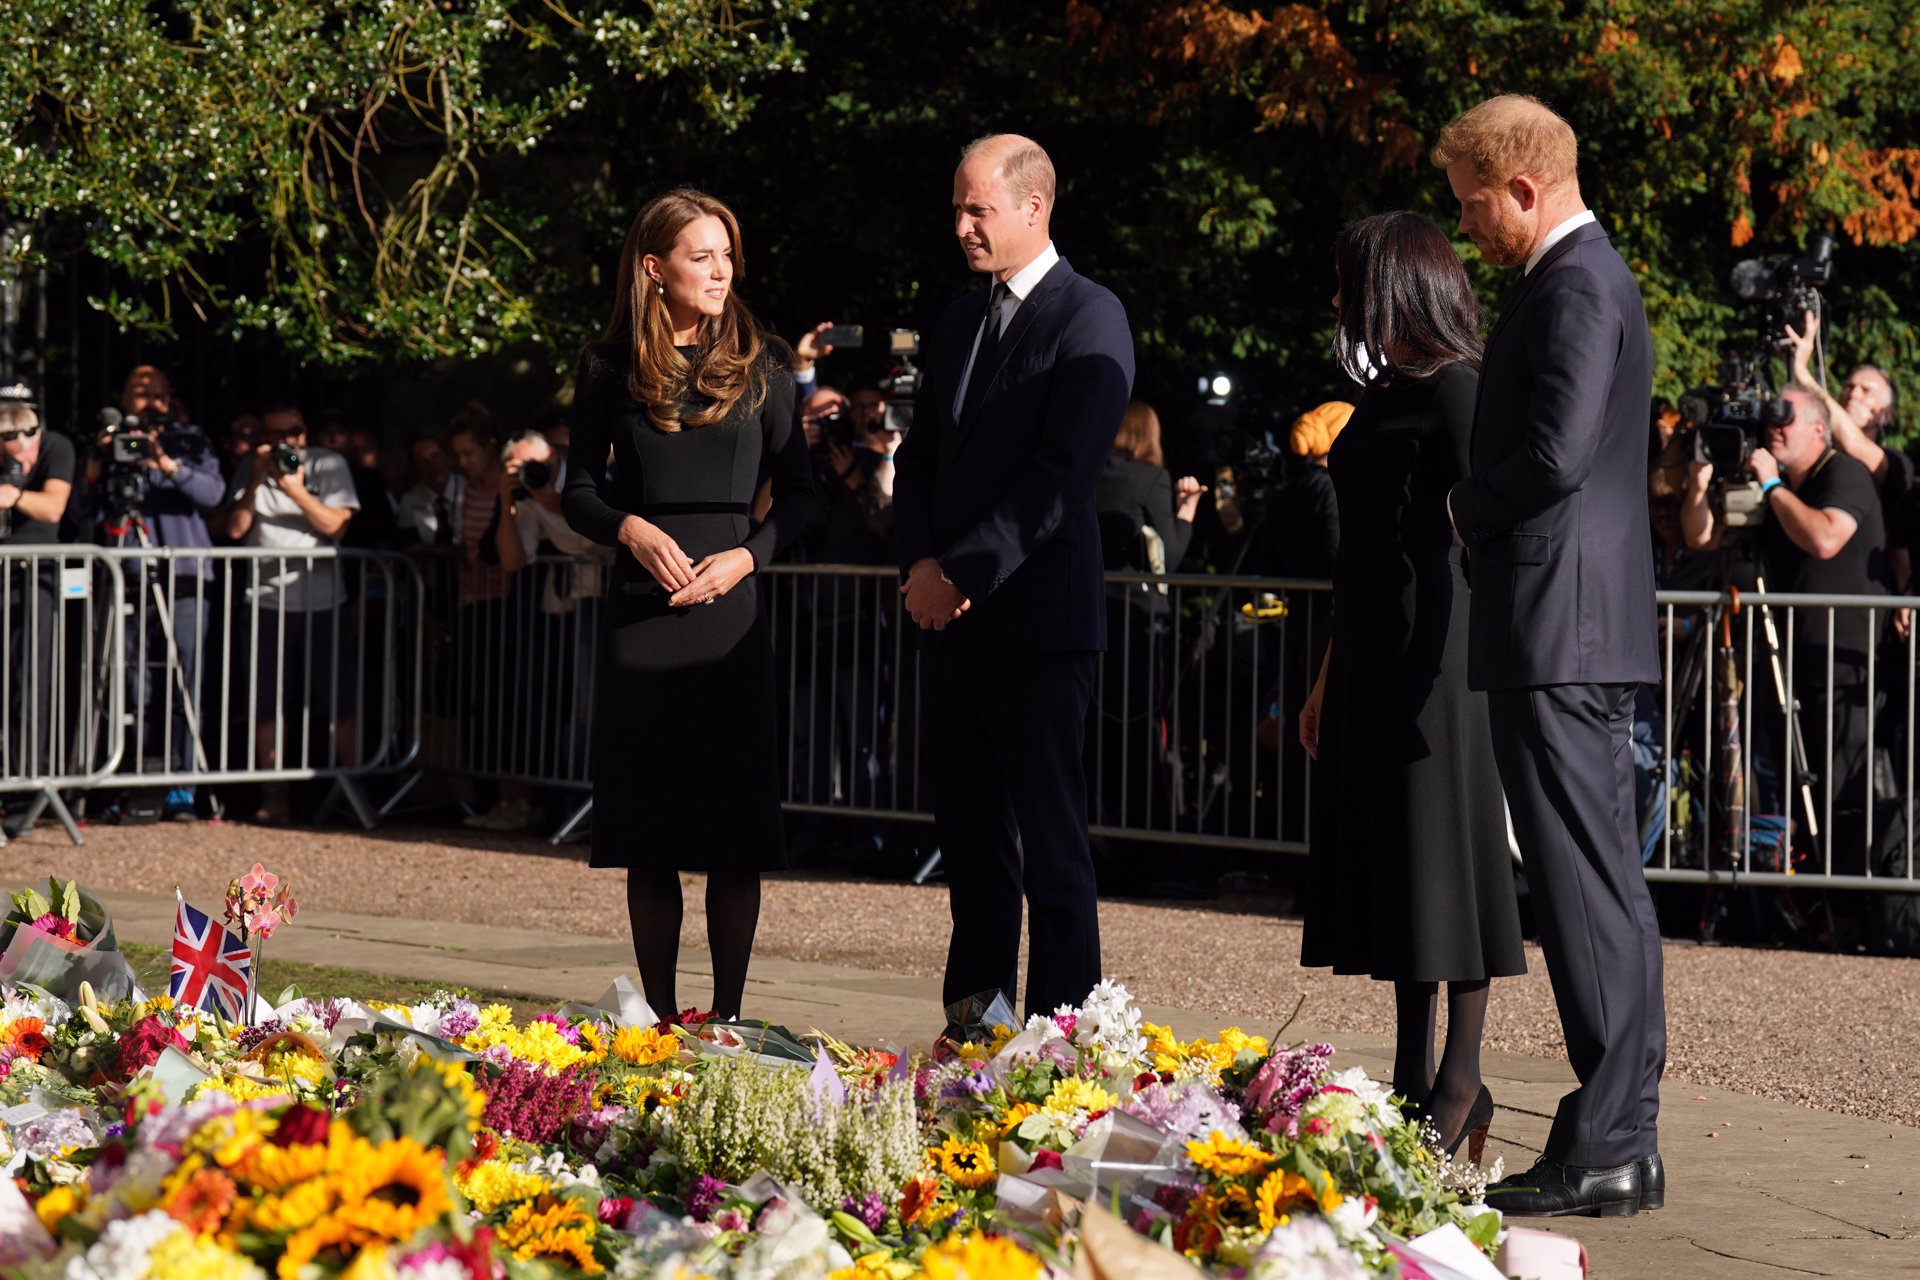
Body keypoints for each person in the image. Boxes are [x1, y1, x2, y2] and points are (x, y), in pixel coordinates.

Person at [1436, 94, 1664, 1216]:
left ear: (1522, 189)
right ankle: (1619, 1134)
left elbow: (1555, 450)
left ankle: (1612, 1132)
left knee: (1583, 881)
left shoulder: (1572, 281)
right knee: (1595, 878)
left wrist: (1460, 506)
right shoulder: (1581, 277)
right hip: (1572, 619)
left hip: (1559, 622)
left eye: (1474, 205)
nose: (1470, 227)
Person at [1294, 212, 1525, 1160]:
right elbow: (1363, 553)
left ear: (1394, 282)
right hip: (1373, 646)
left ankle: (1460, 1080)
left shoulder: (1459, 389)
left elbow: (1484, 536)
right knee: (1401, 867)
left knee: (1450, 862)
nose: (1340, 300)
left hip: (1440, 654)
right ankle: (1411, 1072)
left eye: (1351, 281)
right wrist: (1328, 673)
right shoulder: (1387, 390)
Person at [893, 133, 1135, 1027]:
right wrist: (921, 564)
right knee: (972, 844)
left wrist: (962, 571)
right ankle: (974, 1028)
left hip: (1035, 623)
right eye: (957, 207)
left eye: (977, 208)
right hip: (950, 620)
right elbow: (920, 461)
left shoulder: (1089, 315)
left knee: (1052, 849)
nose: (960, 225)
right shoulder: (959, 321)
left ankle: (1061, 1044)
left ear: (1034, 207)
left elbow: (1059, 476)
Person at [563, 187, 812, 1022]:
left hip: (730, 621)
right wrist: (630, 529)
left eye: (726, 255)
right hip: (642, 617)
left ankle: (732, 1019)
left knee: (736, 835)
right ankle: (662, 1024)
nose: (720, 270)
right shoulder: (607, 367)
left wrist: (748, 557)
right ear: (654, 268)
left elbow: (806, 496)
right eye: (701, 255)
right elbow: (579, 490)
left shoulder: (765, 360)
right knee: (650, 836)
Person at [1680, 387, 1898, 890]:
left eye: (1786, 419)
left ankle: (1849, 900)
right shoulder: (1768, 483)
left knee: (1841, 785)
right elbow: (1702, 537)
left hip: (1846, 666)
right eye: (1770, 419)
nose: (1773, 427)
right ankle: (1794, 896)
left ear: (1819, 429)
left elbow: (1825, 537)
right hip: (1786, 666)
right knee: (1784, 784)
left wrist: (1774, 484)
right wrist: (1697, 482)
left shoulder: (1844, 473)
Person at [80, 367, 226, 819]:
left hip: (183, 574)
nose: (146, 402)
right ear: (123, 397)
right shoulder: (110, 440)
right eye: (137, 393)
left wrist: (165, 463)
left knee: (184, 681)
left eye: (155, 393)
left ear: (168, 398)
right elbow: (81, 506)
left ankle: (182, 787)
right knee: (131, 681)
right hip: (127, 571)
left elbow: (214, 493)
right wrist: (103, 457)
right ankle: (132, 782)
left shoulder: (190, 440)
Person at [224, 402, 361, 822]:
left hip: (324, 601)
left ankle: (350, 790)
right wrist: (256, 480)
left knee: (338, 697)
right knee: (267, 700)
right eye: (276, 434)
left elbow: (335, 525)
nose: (287, 442)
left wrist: (294, 488)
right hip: (265, 600)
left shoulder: (330, 464)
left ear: (306, 433)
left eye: (294, 432)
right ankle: (275, 794)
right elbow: (234, 529)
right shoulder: (253, 466)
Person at [447, 409, 540, 832]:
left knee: (510, 707)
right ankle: (492, 797)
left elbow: (498, 552)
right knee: (481, 707)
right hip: (472, 606)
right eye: (458, 455)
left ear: (489, 447)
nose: (463, 462)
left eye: (469, 453)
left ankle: (517, 799)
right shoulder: (464, 490)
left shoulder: (516, 492)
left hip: (508, 606)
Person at [0, 396, 74, 789]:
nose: (21, 462)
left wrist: (15, 495)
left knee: (30, 682)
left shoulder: (56, 447)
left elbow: (54, 508)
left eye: (27, 452)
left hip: (33, 577)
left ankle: (23, 789)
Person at [1259, 402, 1349, 579]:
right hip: (1329, 602)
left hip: (1296, 600)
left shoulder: (1288, 487)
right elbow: (1336, 552)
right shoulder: (1332, 489)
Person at [395, 432, 466, 546]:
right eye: (421, 461)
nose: (431, 465)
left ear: (447, 456)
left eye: (435, 456)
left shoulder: (468, 490)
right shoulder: (409, 500)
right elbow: (410, 547)